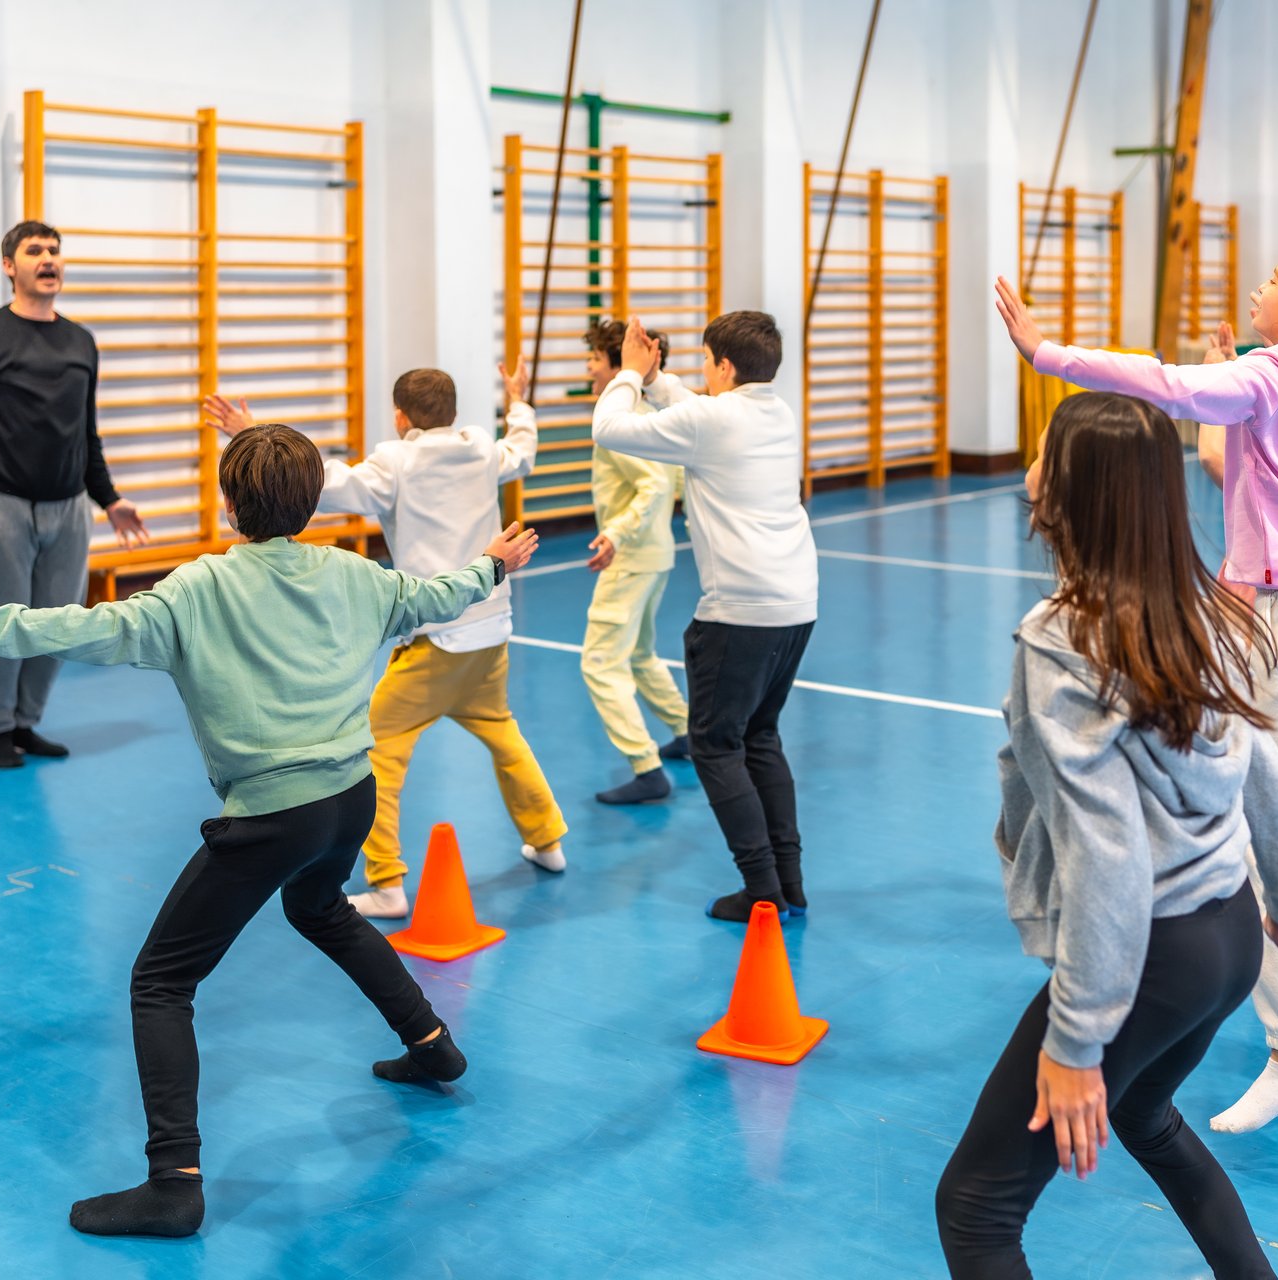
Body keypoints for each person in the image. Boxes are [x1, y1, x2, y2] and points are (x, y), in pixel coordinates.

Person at [0, 422, 540, 1239]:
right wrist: (493, 563)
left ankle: (173, 1183)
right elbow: (438, 595)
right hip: (349, 797)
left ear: (228, 504)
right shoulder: (359, 577)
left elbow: (78, 630)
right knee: (319, 908)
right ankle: (433, 1045)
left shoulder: (197, 589)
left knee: (161, 981)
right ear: (314, 501)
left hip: (271, 817)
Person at [995, 240, 1278, 1133]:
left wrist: (1048, 354)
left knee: (1277, 834)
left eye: (1273, 282)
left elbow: (1163, 387)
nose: (1258, 289)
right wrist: (1231, 381)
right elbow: (1233, 465)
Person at [935, 392, 1278, 1280]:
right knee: (1149, 1115)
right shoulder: (1204, 612)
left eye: (1042, 455)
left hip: (1151, 951)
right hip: (1226, 929)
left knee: (977, 1208)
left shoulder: (1064, 643)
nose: (1028, 469)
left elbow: (1107, 855)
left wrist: (1075, 1042)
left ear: (1069, 492)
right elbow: (1270, 779)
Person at [202, 361, 567, 919]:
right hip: (491, 628)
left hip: (436, 641)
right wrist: (518, 400)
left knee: (377, 753)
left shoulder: (397, 462)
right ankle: (547, 841)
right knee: (502, 733)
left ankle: (388, 882)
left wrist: (250, 433)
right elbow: (523, 448)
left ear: (400, 417)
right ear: (454, 413)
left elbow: (322, 481)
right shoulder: (479, 447)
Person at [591, 313, 818, 922]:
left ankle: (762, 890)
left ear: (723, 366)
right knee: (760, 737)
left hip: (740, 611)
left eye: (706, 361)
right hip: (797, 603)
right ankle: (788, 884)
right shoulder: (775, 410)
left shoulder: (713, 418)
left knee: (716, 746)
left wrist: (632, 375)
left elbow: (608, 427)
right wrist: (660, 380)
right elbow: (695, 411)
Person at [0, 220, 148, 769]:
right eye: (34, 250)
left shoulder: (80, 341)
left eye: (55, 251)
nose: (48, 259)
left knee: (61, 622)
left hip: (69, 507)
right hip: (1, 504)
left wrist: (108, 498)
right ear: (9, 265)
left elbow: (85, 432)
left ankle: (25, 722)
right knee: (0, 618)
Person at [580, 321, 691, 804]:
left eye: (594, 360)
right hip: (657, 554)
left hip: (631, 558)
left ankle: (646, 767)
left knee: (601, 662)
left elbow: (652, 486)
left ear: (616, 364)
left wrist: (615, 533)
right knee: (642, 653)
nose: (587, 367)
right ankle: (689, 732)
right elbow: (676, 482)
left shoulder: (618, 426)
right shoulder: (653, 415)